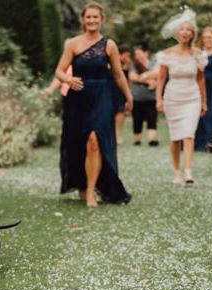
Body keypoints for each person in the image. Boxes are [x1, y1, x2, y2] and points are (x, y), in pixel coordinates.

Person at [54, 2, 134, 207]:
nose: (91, 20)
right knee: (78, 143)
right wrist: (67, 80)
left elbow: (117, 74)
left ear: (102, 20)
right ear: (83, 19)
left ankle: (91, 191)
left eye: (95, 17)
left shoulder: (109, 45)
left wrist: (128, 96)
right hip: (78, 98)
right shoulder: (72, 43)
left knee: (94, 141)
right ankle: (82, 185)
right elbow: (59, 71)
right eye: (88, 17)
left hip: (102, 97)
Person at [155, 7, 208, 184]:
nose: (185, 32)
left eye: (188, 29)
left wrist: (204, 102)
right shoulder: (167, 54)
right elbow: (161, 79)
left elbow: (201, 79)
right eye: (182, 29)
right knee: (175, 137)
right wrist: (159, 100)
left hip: (192, 97)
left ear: (192, 33)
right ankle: (176, 171)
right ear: (177, 33)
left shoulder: (199, 54)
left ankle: (188, 172)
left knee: (189, 134)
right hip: (172, 98)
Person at [128, 41, 160, 146]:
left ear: (146, 53)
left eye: (139, 53)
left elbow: (157, 73)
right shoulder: (134, 65)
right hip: (136, 98)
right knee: (137, 120)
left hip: (151, 98)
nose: (137, 56)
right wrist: (149, 81)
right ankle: (137, 140)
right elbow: (132, 77)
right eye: (136, 54)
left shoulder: (153, 63)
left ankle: (152, 140)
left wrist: (144, 76)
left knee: (152, 119)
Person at [112, 44, 132, 144]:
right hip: (111, 90)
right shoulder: (112, 62)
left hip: (121, 91)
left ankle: (118, 135)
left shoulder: (126, 65)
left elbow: (127, 80)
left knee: (120, 112)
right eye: (126, 55)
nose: (127, 58)